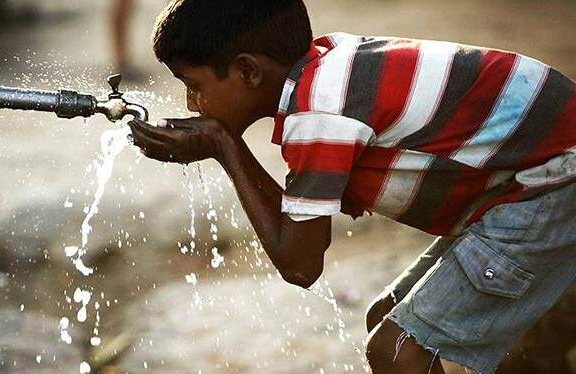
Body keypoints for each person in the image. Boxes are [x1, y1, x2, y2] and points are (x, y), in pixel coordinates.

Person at [128, 0, 576, 373]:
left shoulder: (319, 112)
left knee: (397, 352)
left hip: (553, 179)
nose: (191, 104)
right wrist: (223, 145)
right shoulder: (324, 71)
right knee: (387, 321)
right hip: (532, 173)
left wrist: (225, 147)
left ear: (247, 71)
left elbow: (300, 264)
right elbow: (296, 224)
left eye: (194, 86)